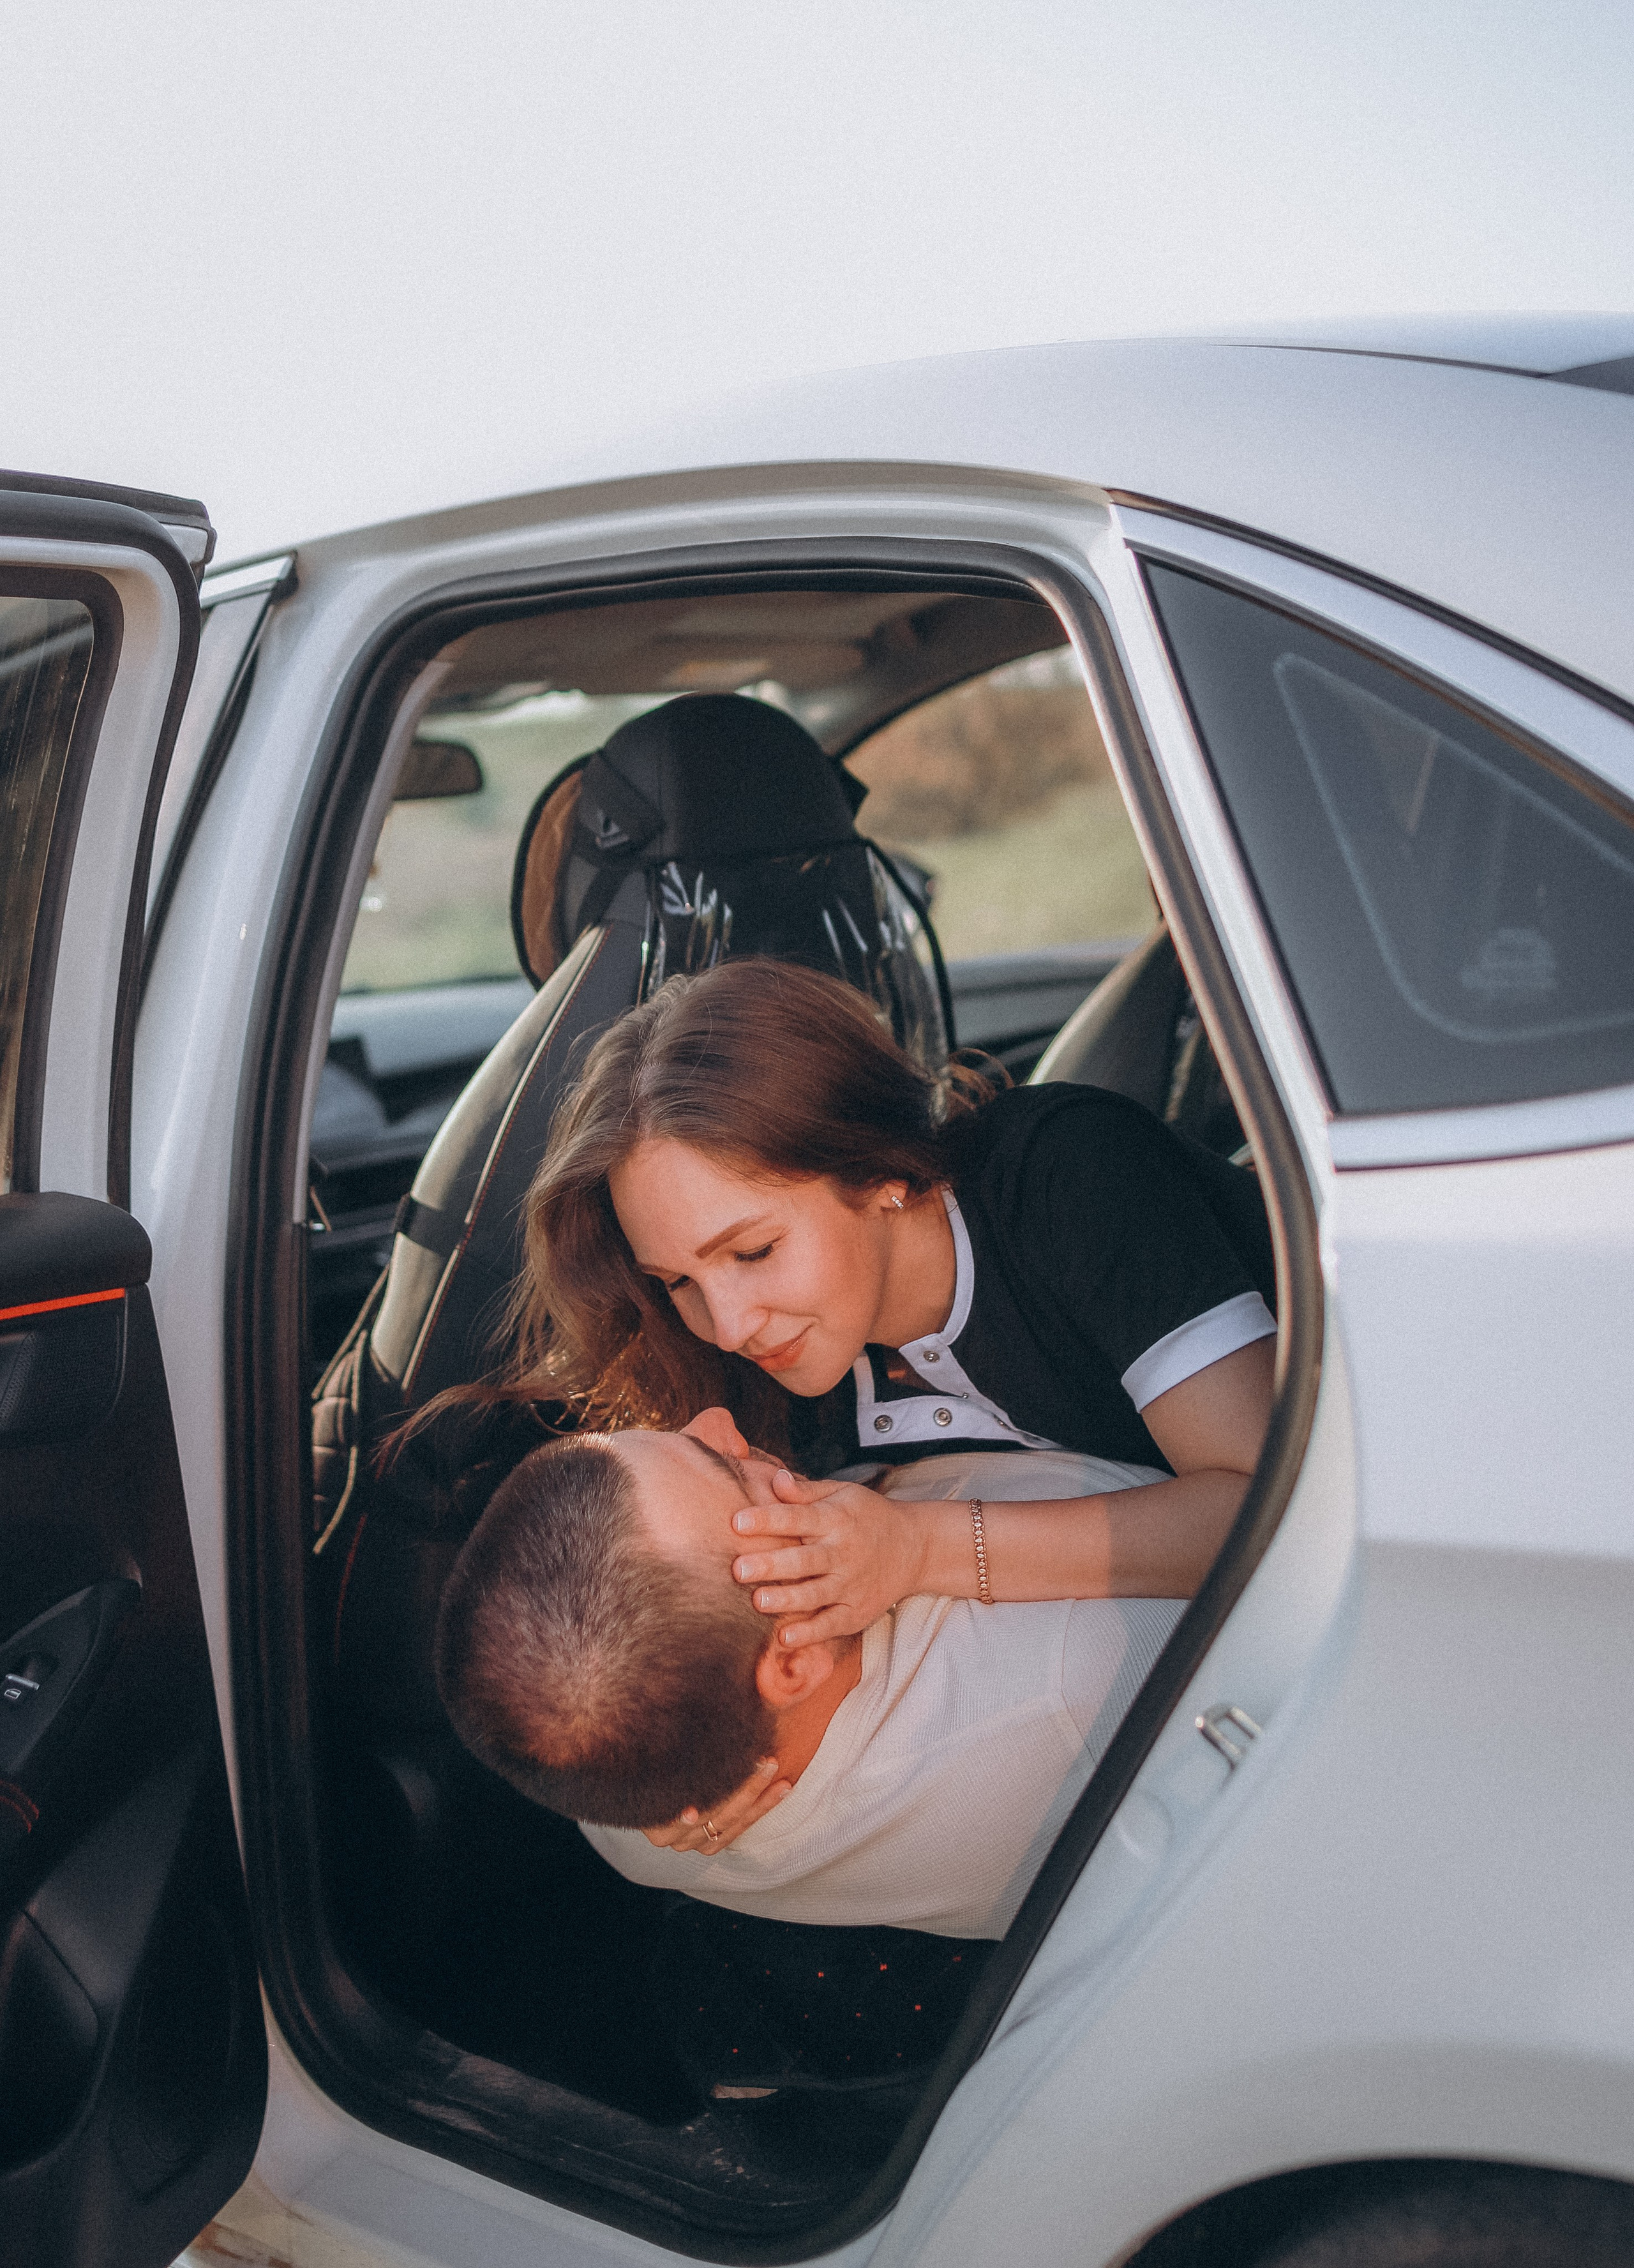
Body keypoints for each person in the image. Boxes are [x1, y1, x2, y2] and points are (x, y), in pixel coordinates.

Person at [432, 952, 1274, 1844]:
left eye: (752, 1251)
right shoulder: (762, 1385)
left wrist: (919, 1548)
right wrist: (710, 1768)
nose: (727, 1323)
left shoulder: (1073, 1175)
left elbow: (1268, 1509)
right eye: (677, 1280)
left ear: (880, 1172)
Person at [434, 1408, 1183, 1941]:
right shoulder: (1093, 1668)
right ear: (793, 1662)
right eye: (730, 1470)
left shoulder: (631, 1821)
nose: (717, 1417)